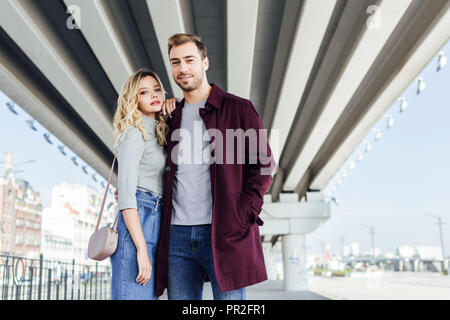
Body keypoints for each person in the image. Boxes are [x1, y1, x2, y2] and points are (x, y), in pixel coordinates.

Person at [156, 33, 277, 300]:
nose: (183, 68)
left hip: (224, 231)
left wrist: (243, 213)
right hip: (176, 236)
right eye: (175, 62)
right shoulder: (170, 116)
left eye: (189, 59)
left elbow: (265, 165)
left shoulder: (238, 109)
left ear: (205, 63)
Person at [110, 69, 176, 300]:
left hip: (157, 217)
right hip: (139, 220)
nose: (154, 95)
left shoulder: (160, 131)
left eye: (157, 89)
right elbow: (126, 198)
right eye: (144, 92)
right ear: (133, 99)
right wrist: (141, 249)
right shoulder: (133, 133)